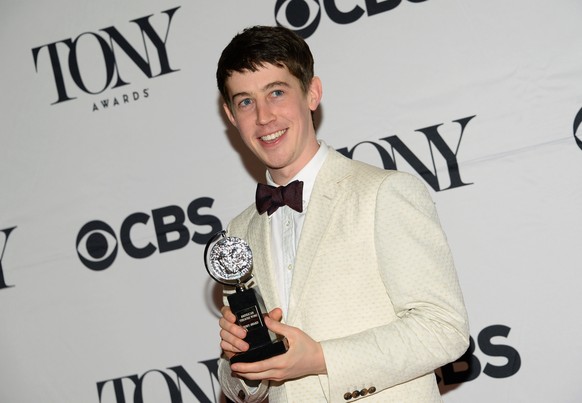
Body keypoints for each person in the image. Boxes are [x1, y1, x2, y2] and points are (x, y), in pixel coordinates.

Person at [214, 25, 469, 402]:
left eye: (277, 92)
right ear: (231, 115)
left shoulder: (384, 193)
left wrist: (321, 358)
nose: (264, 116)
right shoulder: (238, 231)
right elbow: (244, 389)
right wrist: (239, 359)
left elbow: (444, 328)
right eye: (246, 102)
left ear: (312, 93)